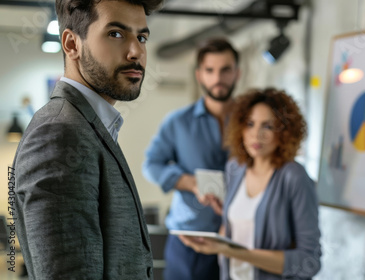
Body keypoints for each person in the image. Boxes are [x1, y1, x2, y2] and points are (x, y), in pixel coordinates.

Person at [12, 0, 163, 278]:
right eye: (115, 34)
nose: (136, 52)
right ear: (71, 44)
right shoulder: (59, 133)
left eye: (141, 37)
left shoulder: (87, 125)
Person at [180, 88, 322, 280]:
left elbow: (309, 262)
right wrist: (224, 219)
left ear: (285, 131)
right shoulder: (235, 169)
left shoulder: (294, 177)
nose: (256, 134)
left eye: (268, 126)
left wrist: (230, 251)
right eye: (250, 124)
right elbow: (246, 226)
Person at [142, 38, 240, 280]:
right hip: (191, 238)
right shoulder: (178, 122)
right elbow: (151, 165)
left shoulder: (252, 123)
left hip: (242, 238)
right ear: (199, 75)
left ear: (237, 73)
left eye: (225, 69)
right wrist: (189, 182)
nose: (218, 78)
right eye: (210, 70)